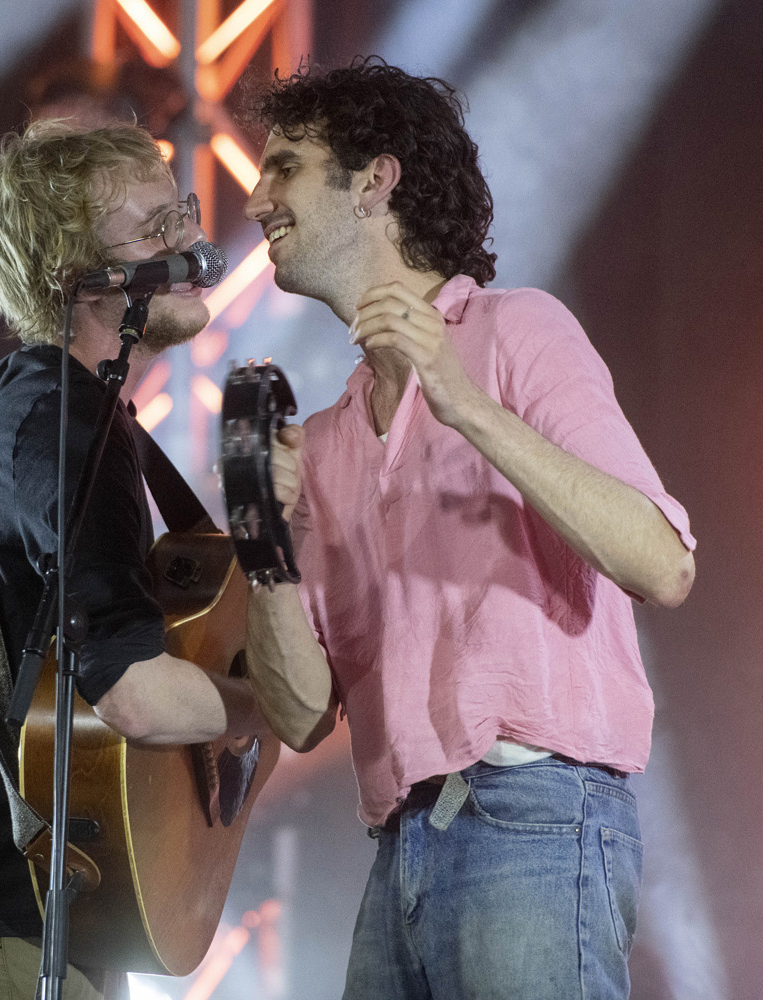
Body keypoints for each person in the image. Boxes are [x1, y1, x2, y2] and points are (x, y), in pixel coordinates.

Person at [240, 58, 697, 1000]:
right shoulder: (322, 442)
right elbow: (301, 715)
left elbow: (663, 564)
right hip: (399, 844)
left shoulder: (517, 329)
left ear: (375, 180)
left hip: (536, 815)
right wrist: (266, 547)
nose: (255, 201)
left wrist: (464, 404)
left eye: (285, 166)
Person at [0, 120, 263, 1000]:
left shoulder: (61, 408)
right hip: (0, 923)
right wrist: (266, 706)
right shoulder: (65, 422)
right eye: (157, 229)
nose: (193, 243)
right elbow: (132, 693)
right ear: (73, 277)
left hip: (53, 917)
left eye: (183, 213)